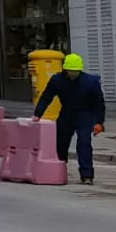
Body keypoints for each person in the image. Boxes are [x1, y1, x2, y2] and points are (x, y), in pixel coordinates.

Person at [33, 53, 106, 185]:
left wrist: (99, 122)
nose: (73, 74)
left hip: (85, 113)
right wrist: (38, 114)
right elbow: (46, 97)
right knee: (61, 142)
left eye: (75, 72)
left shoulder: (91, 82)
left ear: (80, 70)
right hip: (67, 112)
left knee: (84, 143)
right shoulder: (57, 80)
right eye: (70, 71)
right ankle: (60, 169)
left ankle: (87, 175)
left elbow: (99, 104)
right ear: (64, 70)